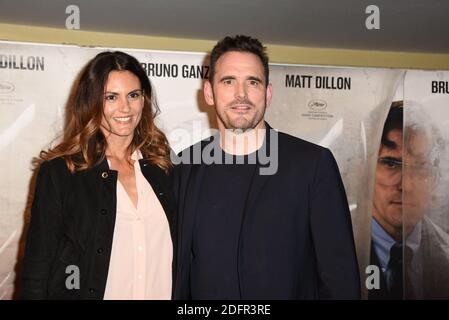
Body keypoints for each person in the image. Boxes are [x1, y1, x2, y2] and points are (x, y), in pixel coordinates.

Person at [172, 35, 360, 299]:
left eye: (253, 82)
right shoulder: (185, 167)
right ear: (209, 93)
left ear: (268, 93)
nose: (241, 94)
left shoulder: (312, 165)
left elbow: (340, 280)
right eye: (228, 81)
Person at [20, 51, 176, 299]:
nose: (125, 108)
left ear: (143, 100)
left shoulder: (164, 169)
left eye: (133, 95)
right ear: (91, 103)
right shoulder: (62, 173)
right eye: (111, 97)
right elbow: (37, 268)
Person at [369, 101, 449, 299]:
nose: (407, 186)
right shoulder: (329, 244)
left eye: (421, 167)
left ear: (435, 176)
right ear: (365, 169)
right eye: (390, 163)